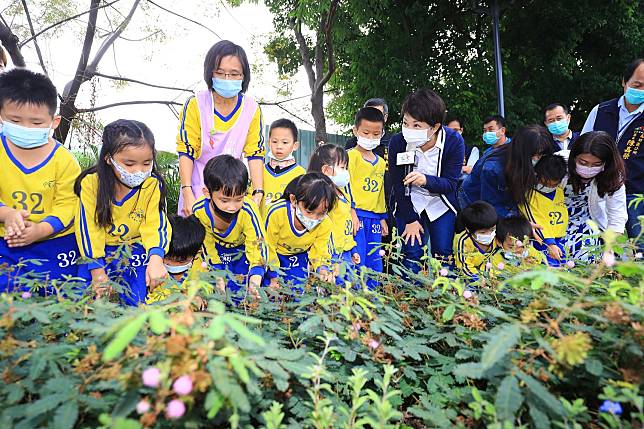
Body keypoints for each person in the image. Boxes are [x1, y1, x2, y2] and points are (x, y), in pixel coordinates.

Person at [0, 68, 81, 293]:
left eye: (36, 123)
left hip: (55, 243)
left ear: (54, 122)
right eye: (15, 120)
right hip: (6, 241)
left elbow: (68, 206)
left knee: (57, 299)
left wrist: (40, 230)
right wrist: (7, 214)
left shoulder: (64, 161)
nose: (25, 128)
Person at [75, 120, 171, 306]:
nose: (139, 171)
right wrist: (97, 271)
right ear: (108, 158)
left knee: (140, 301)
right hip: (99, 252)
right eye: (129, 163)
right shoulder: (91, 184)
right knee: (87, 301)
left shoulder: (152, 185)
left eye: (146, 163)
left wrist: (156, 258)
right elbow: (88, 229)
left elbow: (155, 224)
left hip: (135, 250)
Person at [177, 40, 265, 217]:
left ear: (244, 76)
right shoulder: (195, 104)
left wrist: (258, 193)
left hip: (233, 196)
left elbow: (255, 153)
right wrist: (187, 193)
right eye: (220, 73)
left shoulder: (251, 108)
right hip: (197, 190)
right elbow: (186, 150)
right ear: (210, 73)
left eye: (234, 74)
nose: (227, 79)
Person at [389, 88, 464, 272]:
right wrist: (410, 219)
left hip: (440, 205)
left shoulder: (453, 141)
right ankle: (411, 297)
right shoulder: (398, 142)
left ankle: (446, 296)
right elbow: (397, 185)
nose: (408, 130)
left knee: (443, 253)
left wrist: (425, 180)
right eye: (405, 123)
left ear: (435, 127)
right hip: (409, 203)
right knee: (412, 254)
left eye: (416, 126)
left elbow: (451, 184)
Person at [581, 58, 644, 243]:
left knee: (639, 248)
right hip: (600, 191)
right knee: (600, 245)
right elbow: (583, 146)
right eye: (637, 85)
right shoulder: (601, 110)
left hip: (636, 194)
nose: (641, 91)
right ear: (624, 81)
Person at [192, 155, 267, 297]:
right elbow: (207, 246)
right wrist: (218, 275)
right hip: (215, 251)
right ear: (207, 193)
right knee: (215, 294)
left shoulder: (248, 210)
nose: (232, 207)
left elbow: (257, 245)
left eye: (238, 199)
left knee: (241, 293)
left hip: (243, 251)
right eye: (225, 200)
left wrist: (255, 279)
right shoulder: (199, 211)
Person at [460, 125, 552, 218]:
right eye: (534, 155)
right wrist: (520, 222)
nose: (537, 159)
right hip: (475, 200)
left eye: (540, 154)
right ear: (522, 151)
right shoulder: (493, 168)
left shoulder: (532, 159)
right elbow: (491, 206)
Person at [563, 132, 627, 262]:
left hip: (588, 221)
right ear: (574, 157)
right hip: (553, 217)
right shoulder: (559, 163)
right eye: (583, 162)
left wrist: (609, 251)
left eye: (596, 164)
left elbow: (617, 216)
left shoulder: (613, 176)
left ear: (606, 163)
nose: (589, 168)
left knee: (587, 250)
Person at [265, 172, 336, 288]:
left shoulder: (325, 223)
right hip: (274, 256)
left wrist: (323, 270)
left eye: (321, 214)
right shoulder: (277, 213)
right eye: (309, 212)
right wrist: (273, 275)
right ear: (294, 200)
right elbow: (268, 246)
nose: (314, 218)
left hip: (299, 256)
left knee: (298, 291)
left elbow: (320, 251)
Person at [346, 107, 388, 288]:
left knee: (375, 259)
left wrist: (383, 218)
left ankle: (374, 300)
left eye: (376, 133)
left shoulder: (381, 162)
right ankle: (354, 298)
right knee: (357, 257)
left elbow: (380, 192)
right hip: (356, 216)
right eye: (366, 132)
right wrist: (351, 211)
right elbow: (345, 187)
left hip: (374, 218)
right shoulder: (350, 156)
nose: (370, 137)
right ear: (355, 131)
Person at [307, 144, 360, 284]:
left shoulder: (343, 193)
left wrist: (353, 249)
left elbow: (346, 226)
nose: (346, 172)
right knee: (333, 294)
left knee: (347, 293)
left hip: (346, 253)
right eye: (342, 167)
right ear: (326, 170)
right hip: (332, 255)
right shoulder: (324, 198)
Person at [519, 154, 568, 266]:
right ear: (537, 175)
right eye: (546, 184)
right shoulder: (528, 195)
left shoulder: (559, 191)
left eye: (553, 185)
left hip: (559, 238)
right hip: (540, 240)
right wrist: (549, 244)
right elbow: (536, 219)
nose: (549, 187)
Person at [146, 214, 206, 304]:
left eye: (181, 261)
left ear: (197, 254)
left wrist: (199, 296)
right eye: (167, 258)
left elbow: (207, 288)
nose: (172, 264)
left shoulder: (200, 267)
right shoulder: (154, 269)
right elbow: (150, 299)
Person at [260, 118, 305, 218]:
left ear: (295, 145)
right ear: (268, 143)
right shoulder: (259, 170)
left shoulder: (300, 174)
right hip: (261, 231)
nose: (279, 146)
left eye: (285, 142)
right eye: (274, 141)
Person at [453, 201, 498, 280]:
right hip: (468, 275)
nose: (489, 234)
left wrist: (489, 279)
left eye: (492, 229)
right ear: (468, 230)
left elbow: (493, 261)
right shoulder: (463, 241)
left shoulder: (497, 237)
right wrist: (479, 280)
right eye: (483, 232)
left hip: (490, 274)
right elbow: (464, 266)